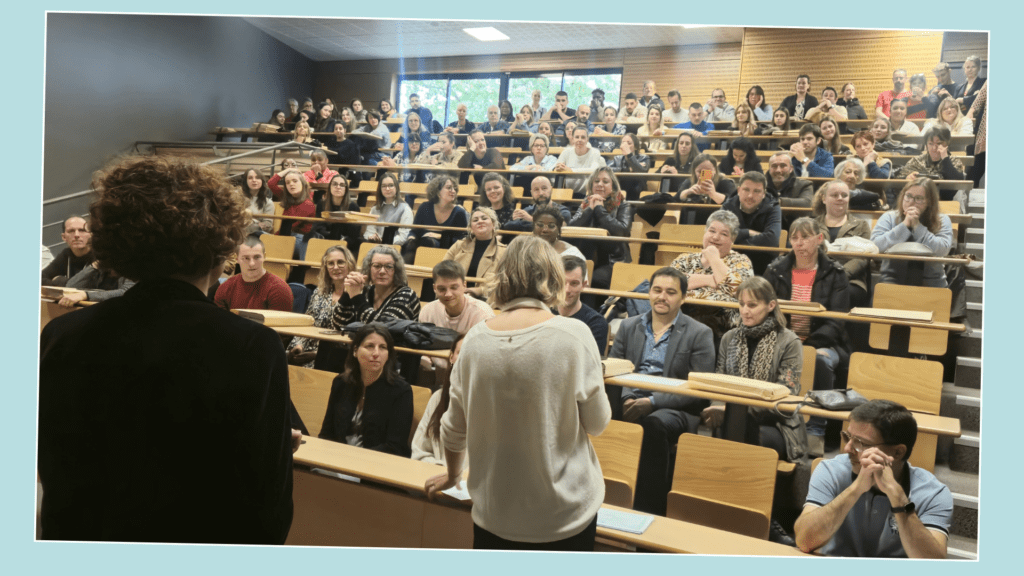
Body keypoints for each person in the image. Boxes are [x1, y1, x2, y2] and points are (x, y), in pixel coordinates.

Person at [39, 155, 295, 543]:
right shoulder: (252, 345)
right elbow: (268, 505)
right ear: (218, 251)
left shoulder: (63, 334)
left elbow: (53, 466)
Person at [425, 235, 611, 552]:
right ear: (553, 277)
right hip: (564, 514)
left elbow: (454, 427)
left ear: (502, 276)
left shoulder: (473, 340)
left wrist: (452, 475)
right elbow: (597, 423)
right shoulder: (574, 334)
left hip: (495, 514)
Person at [608, 267, 715, 515]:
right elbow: (613, 370)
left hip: (673, 407)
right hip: (628, 397)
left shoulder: (700, 333)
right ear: (649, 293)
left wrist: (652, 401)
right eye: (657, 290)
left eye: (670, 292)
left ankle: (648, 509)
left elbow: (698, 389)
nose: (662, 297)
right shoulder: (629, 326)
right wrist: (625, 398)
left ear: (683, 298)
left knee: (653, 425)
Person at [794, 400, 953, 558]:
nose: (847, 448)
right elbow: (804, 541)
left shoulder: (934, 493)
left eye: (860, 443)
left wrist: (898, 498)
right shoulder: (830, 470)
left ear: (897, 452)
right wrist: (855, 489)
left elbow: (934, 563)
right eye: (847, 437)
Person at [763, 217, 852, 456]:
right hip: (783, 340)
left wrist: (808, 347)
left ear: (819, 239)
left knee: (820, 360)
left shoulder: (836, 273)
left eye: (805, 237)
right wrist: (788, 344)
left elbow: (837, 321)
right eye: (794, 238)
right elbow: (765, 310)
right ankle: (775, 420)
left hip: (823, 342)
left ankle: (816, 429)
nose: (799, 243)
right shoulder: (775, 270)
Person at [705, 277, 806, 463]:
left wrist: (737, 409)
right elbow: (720, 378)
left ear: (770, 305)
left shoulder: (789, 341)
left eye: (752, 305)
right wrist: (718, 405)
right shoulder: (729, 337)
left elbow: (787, 392)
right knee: (729, 430)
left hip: (776, 424)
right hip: (732, 416)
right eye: (741, 304)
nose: (744, 311)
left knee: (740, 432)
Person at [319, 323, 413, 457]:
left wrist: (353, 458)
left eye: (383, 347)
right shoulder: (341, 383)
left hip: (376, 465)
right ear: (355, 351)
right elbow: (326, 433)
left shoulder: (401, 391)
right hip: (337, 459)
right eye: (369, 346)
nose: (376, 353)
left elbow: (395, 446)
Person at [670, 210, 754, 338]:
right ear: (705, 232)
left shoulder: (741, 261)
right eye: (712, 231)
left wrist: (714, 259)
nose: (715, 237)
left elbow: (740, 291)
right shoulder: (685, 259)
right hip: (681, 313)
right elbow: (670, 284)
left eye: (724, 234)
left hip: (720, 324)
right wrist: (710, 280)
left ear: (733, 240)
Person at [871, 178, 953, 288]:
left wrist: (917, 226)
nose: (911, 202)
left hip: (932, 281)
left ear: (929, 202)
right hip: (891, 279)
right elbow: (875, 246)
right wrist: (904, 226)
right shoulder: (889, 217)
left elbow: (943, 249)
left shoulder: (942, 220)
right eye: (908, 196)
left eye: (918, 198)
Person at [286, 246, 356, 367]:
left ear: (349, 264)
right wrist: (299, 346)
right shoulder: (319, 292)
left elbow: (353, 336)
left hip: (337, 357)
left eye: (340, 262)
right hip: (307, 350)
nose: (335, 267)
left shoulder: (357, 294)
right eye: (330, 263)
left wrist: (317, 354)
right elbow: (308, 323)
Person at [569, 167, 634, 293]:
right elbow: (571, 228)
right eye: (596, 181)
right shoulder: (586, 203)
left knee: (592, 279)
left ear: (613, 186)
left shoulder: (623, 205)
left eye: (605, 181)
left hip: (614, 261)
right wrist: (589, 210)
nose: (600, 184)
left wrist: (599, 209)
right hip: (585, 259)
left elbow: (621, 231)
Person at [813, 180, 872, 308]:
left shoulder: (861, 225)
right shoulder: (812, 225)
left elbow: (862, 258)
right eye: (834, 195)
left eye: (844, 195)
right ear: (824, 198)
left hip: (851, 280)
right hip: (816, 276)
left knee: (841, 294)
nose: (840, 198)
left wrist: (840, 274)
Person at [411, 334, 469, 466]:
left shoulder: (493, 405)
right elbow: (419, 453)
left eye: (472, 354)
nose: (465, 359)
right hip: (435, 477)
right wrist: (440, 470)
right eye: (460, 352)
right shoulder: (438, 398)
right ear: (451, 358)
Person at [332, 245, 421, 327]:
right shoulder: (365, 291)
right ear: (369, 268)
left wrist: (356, 298)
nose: (382, 271)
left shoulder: (407, 295)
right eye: (377, 266)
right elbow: (338, 325)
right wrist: (347, 293)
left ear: (396, 271)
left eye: (388, 267)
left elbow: (384, 327)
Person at [214, 236, 293, 312]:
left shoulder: (279, 289)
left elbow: (277, 324)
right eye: (246, 258)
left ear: (264, 257)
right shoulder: (225, 288)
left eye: (257, 257)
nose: (252, 263)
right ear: (237, 259)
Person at [444, 207, 507, 296]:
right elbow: (443, 270)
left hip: (486, 298)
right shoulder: (458, 246)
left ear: (493, 225)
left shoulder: (504, 252)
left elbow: (504, 282)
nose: (480, 221)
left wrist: (479, 290)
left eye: (484, 218)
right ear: (471, 229)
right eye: (475, 220)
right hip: (455, 294)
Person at [419, 261, 495, 334]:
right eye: (442, 289)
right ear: (434, 288)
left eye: (454, 287)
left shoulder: (482, 313)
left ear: (464, 285)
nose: (448, 294)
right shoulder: (427, 311)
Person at [405, 174, 469, 261]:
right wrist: (411, 238)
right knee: (409, 245)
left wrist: (440, 236)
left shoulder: (459, 212)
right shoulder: (424, 207)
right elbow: (414, 231)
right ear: (438, 192)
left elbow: (462, 241)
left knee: (428, 241)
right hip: (421, 246)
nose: (453, 191)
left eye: (454, 188)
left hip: (447, 252)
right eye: (449, 187)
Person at [896, 126, 967, 200]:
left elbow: (956, 184)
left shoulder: (954, 161)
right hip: (916, 200)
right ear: (926, 145)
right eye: (930, 144)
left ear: (947, 144)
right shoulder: (917, 160)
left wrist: (945, 159)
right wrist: (907, 178)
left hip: (943, 201)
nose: (934, 148)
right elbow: (898, 183)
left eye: (939, 143)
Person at [558, 255, 607, 355]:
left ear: (583, 285)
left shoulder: (595, 323)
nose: (567, 290)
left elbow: (593, 365)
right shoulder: (543, 313)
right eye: (562, 282)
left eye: (574, 283)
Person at [723, 172, 781, 249]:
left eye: (756, 191)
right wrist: (748, 232)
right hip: (732, 257)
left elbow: (772, 240)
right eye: (746, 190)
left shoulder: (773, 207)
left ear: (764, 194)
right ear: (739, 191)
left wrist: (736, 241)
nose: (750, 196)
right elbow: (721, 235)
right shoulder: (728, 206)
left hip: (763, 258)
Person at [310, 174, 362, 250]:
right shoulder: (322, 204)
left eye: (342, 185)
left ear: (346, 189)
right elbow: (318, 225)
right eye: (334, 184)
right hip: (325, 239)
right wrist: (327, 236)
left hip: (345, 242)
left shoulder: (353, 206)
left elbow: (354, 232)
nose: (338, 187)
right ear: (330, 187)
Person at [505, 175, 571, 232]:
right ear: (531, 193)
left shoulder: (562, 211)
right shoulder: (528, 210)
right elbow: (509, 225)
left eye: (544, 188)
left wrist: (531, 220)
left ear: (551, 189)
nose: (541, 193)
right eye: (536, 190)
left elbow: (558, 227)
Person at [276, 169, 316, 260]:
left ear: (302, 183)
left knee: (263, 245)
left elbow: (290, 226)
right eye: (287, 182)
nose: (291, 184)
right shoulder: (288, 200)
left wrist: (273, 238)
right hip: (286, 237)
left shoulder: (307, 204)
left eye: (295, 181)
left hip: (301, 241)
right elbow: (271, 183)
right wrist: (289, 170)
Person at [42, 216, 94, 286]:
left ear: (91, 234)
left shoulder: (100, 255)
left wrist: (59, 280)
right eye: (71, 231)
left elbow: (95, 287)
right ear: (64, 237)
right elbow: (41, 278)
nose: (76, 235)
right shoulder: (66, 254)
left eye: (82, 230)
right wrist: (62, 283)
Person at [363, 173, 413, 245]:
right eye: (384, 186)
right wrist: (371, 237)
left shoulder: (405, 208)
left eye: (391, 185)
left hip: (394, 246)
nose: (387, 189)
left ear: (396, 187)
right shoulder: (374, 209)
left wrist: (384, 241)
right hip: (374, 245)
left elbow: (403, 236)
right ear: (380, 189)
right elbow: (369, 232)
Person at [554, 126, 605, 195]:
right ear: (573, 139)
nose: (579, 140)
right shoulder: (566, 152)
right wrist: (559, 167)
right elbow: (557, 168)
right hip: (567, 193)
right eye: (577, 137)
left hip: (588, 194)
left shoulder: (595, 152)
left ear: (587, 139)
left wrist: (571, 170)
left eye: (583, 137)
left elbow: (594, 170)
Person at [606, 133, 651, 201]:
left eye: (629, 143)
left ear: (635, 146)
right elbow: (607, 170)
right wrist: (626, 170)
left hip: (637, 191)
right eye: (623, 143)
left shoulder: (644, 158)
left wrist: (629, 155)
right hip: (620, 189)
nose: (625, 145)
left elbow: (641, 172)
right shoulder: (617, 158)